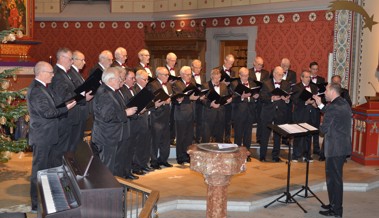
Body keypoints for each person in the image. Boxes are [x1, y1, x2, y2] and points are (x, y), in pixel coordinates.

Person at [28, 61, 76, 212]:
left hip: (49, 135)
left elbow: (53, 106)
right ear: (42, 73)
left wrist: (65, 104)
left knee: (47, 169)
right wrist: (66, 108)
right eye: (50, 72)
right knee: (39, 170)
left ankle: (46, 199)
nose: (53, 75)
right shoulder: (36, 90)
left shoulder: (43, 87)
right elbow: (47, 113)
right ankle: (36, 204)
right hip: (42, 137)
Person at [313, 83, 352, 218]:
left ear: (332, 92)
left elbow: (323, 130)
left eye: (326, 91)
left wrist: (318, 125)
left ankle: (336, 210)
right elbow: (331, 114)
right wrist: (319, 104)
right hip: (341, 147)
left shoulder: (334, 107)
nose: (324, 93)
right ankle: (333, 204)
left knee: (334, 180)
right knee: (335, 179)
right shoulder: (343, 103)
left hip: (335, 148)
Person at [91, 67, 137, 176]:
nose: (121, 81)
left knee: (109, 167)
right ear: (111, 80)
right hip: (106, 137)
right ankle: (106, 192)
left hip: (110, 135)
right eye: (119, 79)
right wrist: (126, 113)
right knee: (106, 169)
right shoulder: (105, 93)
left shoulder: (109, 91)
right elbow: (107, 116)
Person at [49, 48, 78, 167]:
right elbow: (61, 98)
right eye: (71, 59)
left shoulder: (64, 73)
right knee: (59, 150)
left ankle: (61, 172)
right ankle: (57, 174)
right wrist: (79, 96)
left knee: (64, 149)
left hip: (67, 116)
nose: (72, 62)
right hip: (63, 117)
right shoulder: (58, 74)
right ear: (62, 58)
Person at [259, 66, 291, 162]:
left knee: (278, 135)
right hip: (268, 112)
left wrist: (287, 100)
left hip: (280, 112)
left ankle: (275, 156)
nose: (281, 76)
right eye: (279, 74)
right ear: (274, 74)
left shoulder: (286, 84)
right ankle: (262, 156)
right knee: (265, 134)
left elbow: (288, 97)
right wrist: (272, 98)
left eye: (282, 74)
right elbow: (262, 97)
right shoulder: (266, 83)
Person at [172, 66, 200, 165]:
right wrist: (190, 98)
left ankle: (187, 156)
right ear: (182, 74)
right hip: (181, 114)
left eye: (190, 74)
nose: (190, 76)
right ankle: (180, 157)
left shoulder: (192, 83)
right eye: (188, 74)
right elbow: (178, 98)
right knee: (181, 137)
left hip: (191, 113)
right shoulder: (176, 84)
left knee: (189, 136)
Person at [230, 67, 259, 161]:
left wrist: (256, 96)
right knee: (238, 135)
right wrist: (242, 97)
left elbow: (255, 95)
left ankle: (247, 154)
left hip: (250, 112)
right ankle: (237, 155)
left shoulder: (252, 83)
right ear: (239, 75)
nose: (246, 78)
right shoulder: (234, 84)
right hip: (239, 113)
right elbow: (232, 98)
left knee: (248, 135)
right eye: (243, 76)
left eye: (247, 75)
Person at [147, 67, 173, 169]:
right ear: (158, 75)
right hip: (157, 116)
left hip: (167, 116)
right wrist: (163, 102)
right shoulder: (152, 85)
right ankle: (154, 161)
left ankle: (163, 159)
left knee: (165, 139)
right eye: (165, 75)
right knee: (155, 140)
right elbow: (151, 101)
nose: (167, 77)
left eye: (167, 75)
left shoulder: (169, 85)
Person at [68, 50, 93, 152]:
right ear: (73, 60)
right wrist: (84, 97)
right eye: (82, 60)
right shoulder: (71, 73)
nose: (84, 62)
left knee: (77, 140)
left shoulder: (77, 73)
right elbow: (73, 93)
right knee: (74, 141)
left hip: (80, 112)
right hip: (75, 113)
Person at [291, 70, 318, 162]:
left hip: (311, 114)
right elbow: (294, 100)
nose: (308, 79)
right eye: (306, 77)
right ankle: (296, 155)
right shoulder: (296, 87)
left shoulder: (314, 87)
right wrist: (305, 102)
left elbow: (317, 98)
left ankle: (307, 155)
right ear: (301, 77)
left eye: (309, 77)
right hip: (300, 114)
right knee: (298, 135)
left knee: (308, 135)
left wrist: (315, 103)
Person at [201, 68, 231, 143]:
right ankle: (206, 154)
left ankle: (219, 153)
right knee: (206, 137)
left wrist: (228, 100)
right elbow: (202, 99)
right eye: (215, 78)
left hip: (221, 114)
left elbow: (226, 97)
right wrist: (210, 104)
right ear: (211, 77)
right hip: (209, 114)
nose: (217, 80)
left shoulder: (223, 86)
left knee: (219, 137)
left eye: (219, 78)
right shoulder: (205, 85)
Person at [248, 56, 270, 144]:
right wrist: (254, 94)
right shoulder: (248, 72)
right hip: (251, 99)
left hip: (261, 99)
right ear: (254, 63)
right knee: (249, 119)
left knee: (261, 119)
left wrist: (260, 95)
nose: (260, 66)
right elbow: (247, 85)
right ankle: (247, 138)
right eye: (258, 64)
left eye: (262, 65)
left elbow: (267, 86)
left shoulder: (266, 73)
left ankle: (259, 138)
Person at [309, 61, 325, 156]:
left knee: (316, 127)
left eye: (316, 69)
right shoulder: (307, 79)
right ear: (310, 68)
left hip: (317, 107)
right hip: (308, 106)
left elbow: (323, 94)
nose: (315, 71)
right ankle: (306, 148)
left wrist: (318, 103)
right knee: (307, 127)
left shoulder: (321, 79)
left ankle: (316, 148)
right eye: (313, 69)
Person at [218, 54, 236, 143]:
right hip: (220, 97)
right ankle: (217, 137)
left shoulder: (233, 72)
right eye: (229, 63)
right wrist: (221, 83)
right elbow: (212, 83)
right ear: (225, 61)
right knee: (219, 119)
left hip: (229, 98)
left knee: (228, 119)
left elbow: (233, 85)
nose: (231, 65)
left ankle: (228, 138)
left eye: (232, 63)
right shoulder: (217, 70)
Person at [191, 59, 206, 143]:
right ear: (192, 67)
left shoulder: (203, 76)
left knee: (200, 120)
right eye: (196, 67)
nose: (198, 69)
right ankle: (192, 138)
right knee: (192, 120)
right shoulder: (189, 76)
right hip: (192, 102)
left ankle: (198, 138)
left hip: (200, 102)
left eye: (199, 68)